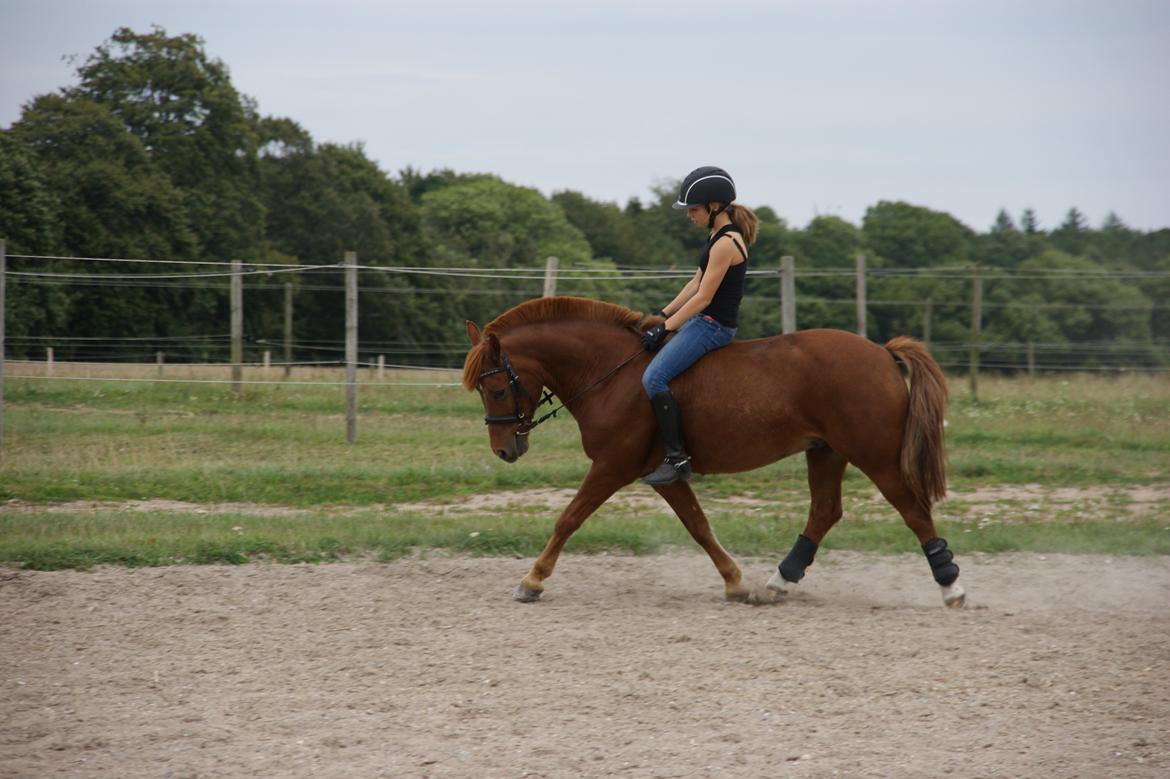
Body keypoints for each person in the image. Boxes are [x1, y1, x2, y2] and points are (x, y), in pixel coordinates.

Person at [639, 165, 759, 485]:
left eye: (693, 209)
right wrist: (664, 315)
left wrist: (666, 329)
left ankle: (677, 459)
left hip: (712, 327)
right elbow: (696, 282)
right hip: (700, 320)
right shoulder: (716, 235)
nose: (689, 215)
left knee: (654, 377)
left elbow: (705, 297)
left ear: (714, 206)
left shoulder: (726, 243)